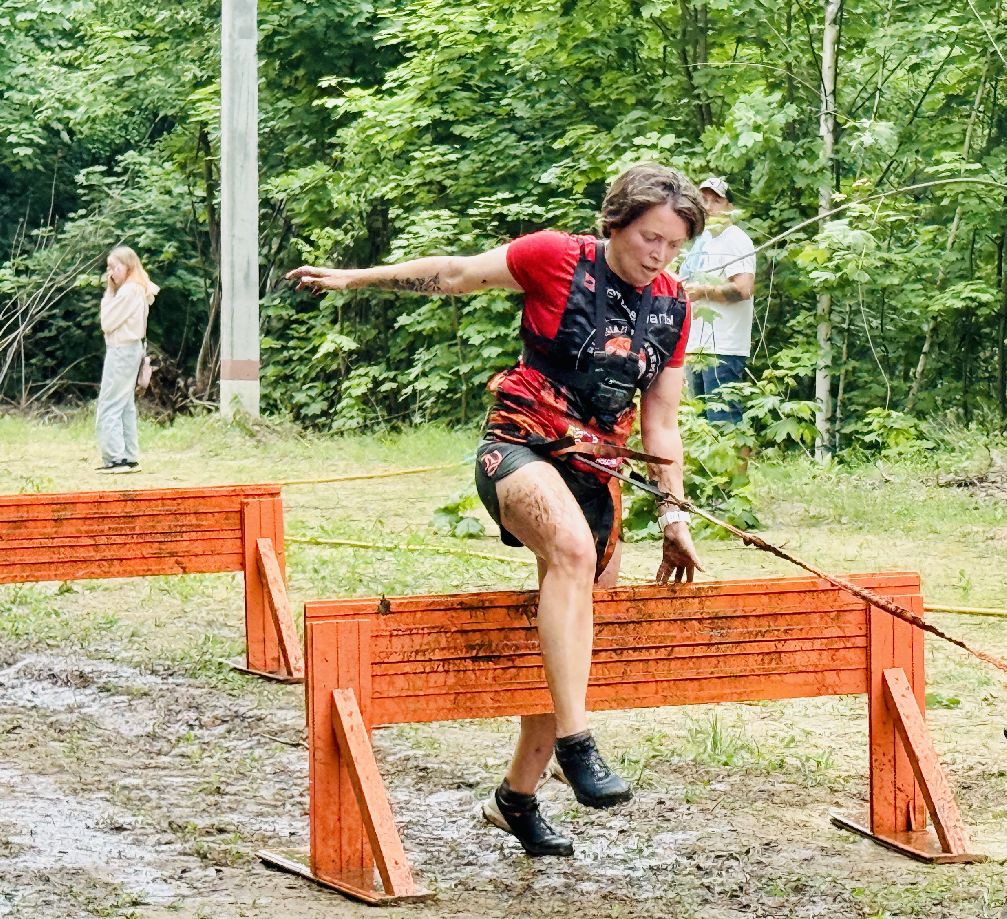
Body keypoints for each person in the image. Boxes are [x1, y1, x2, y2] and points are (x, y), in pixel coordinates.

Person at [287, 163, 706, 858]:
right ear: (616, 223)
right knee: (570, 552)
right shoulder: (553, 258)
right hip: (517, 448)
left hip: (597, 470)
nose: (658, 255)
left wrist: (674, 520)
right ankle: (578, 745)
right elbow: (454, 273)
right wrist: (355, 279)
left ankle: (516, 797)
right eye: (649, 238)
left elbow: (662, 425)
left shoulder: (672, 305)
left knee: (571, 629)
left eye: (673, 244)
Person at [678, 176, 756, 424]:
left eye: (717, 200)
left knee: (725, 421)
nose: (709, 206)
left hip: (723, 348)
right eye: (704, 200)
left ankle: (739, 465)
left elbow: (743, 289)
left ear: (729, 207)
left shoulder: (735, 238)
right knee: (701, 428)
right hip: (696, 348)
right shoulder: (701, 240)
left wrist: (702, 291)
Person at [96, 246, 158, 473]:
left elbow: (107, 322)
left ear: (128, 266)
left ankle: (115, 458)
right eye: (108, 267)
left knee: (109, 404)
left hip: (122, 350)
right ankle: (129, 456)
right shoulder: (138, 288)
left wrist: (109, 293)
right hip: (131, 349)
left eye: (115, 267)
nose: (110, 273)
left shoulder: (129, 290)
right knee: (124, 405)